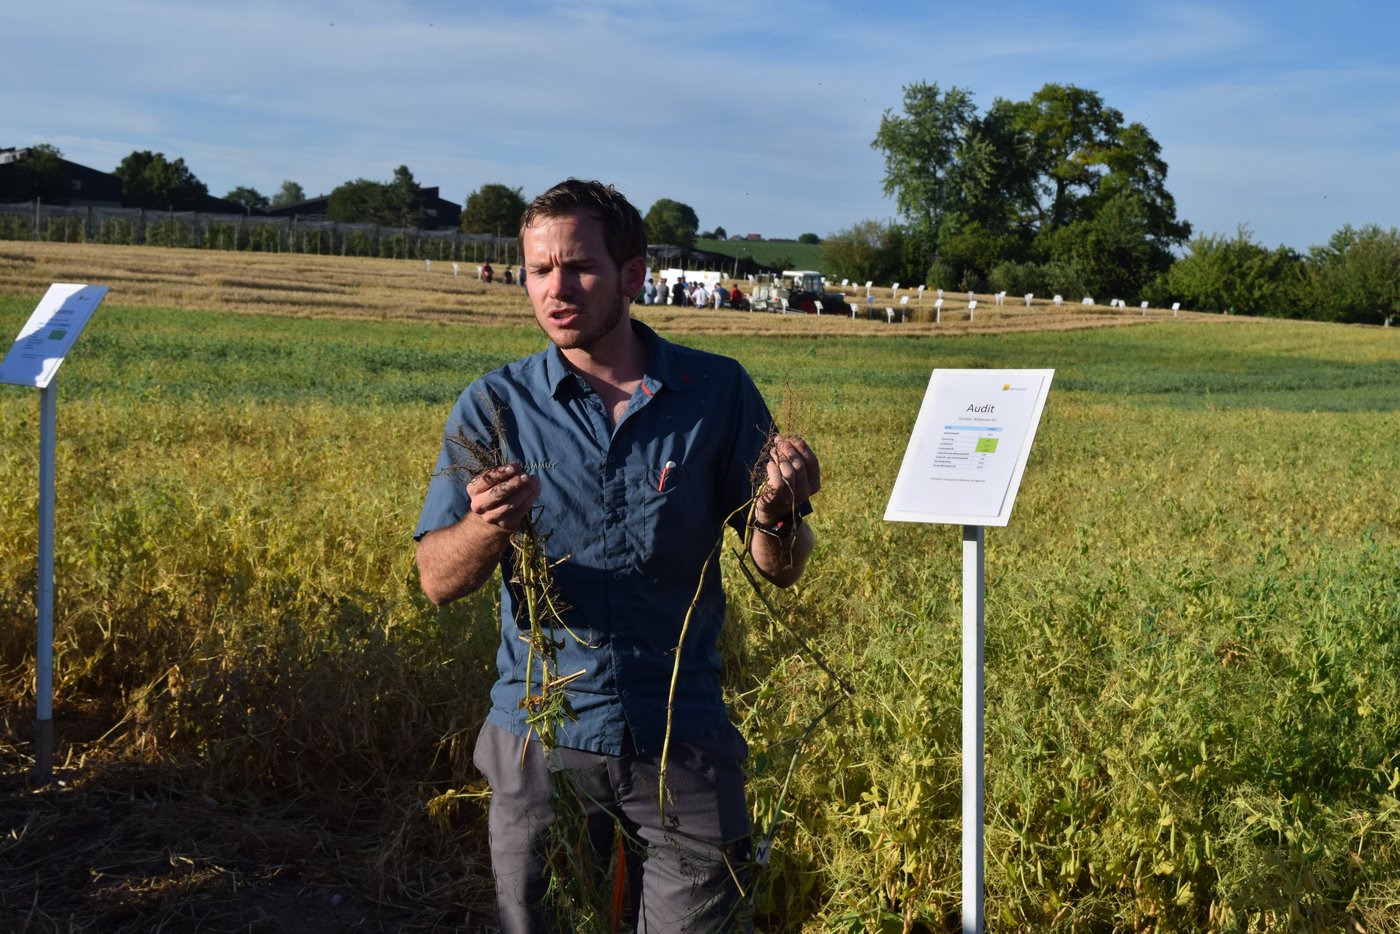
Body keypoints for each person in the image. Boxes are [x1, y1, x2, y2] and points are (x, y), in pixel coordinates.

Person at [414, 178, 819, 932]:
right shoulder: (494, 407)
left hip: (683, 736)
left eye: (579, 268)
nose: (556, 289)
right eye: (539, 270)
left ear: (633, 276)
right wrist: (485, 528)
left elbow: (780, 565)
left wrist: (777, 509)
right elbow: (436, 579)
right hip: (542, 739)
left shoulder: (716, 391)